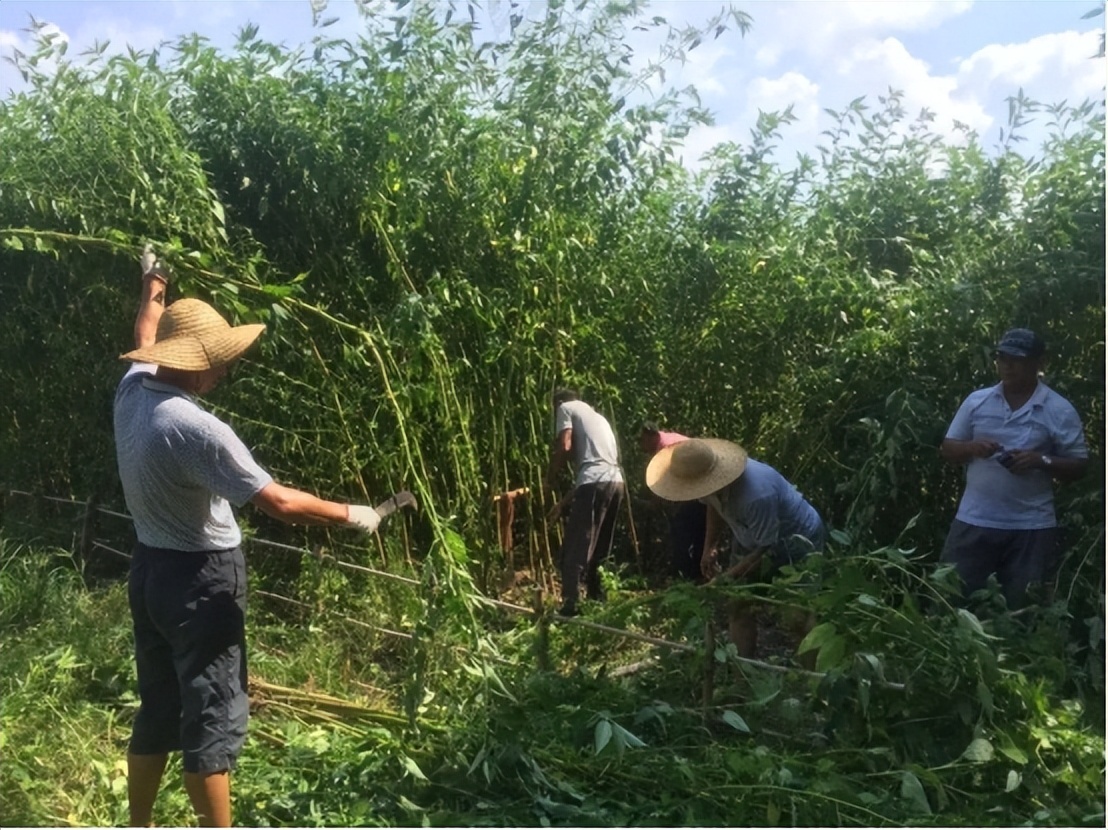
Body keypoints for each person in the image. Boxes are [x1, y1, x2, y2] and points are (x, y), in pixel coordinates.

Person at [116, 248, 384, 827]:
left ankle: (137, 823)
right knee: (210, 717)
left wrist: (154, 279)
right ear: (191, 361)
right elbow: (280, 502)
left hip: (149, 573)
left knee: (158, 706)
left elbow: (143, 328)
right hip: (200, 585)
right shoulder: (194, 427)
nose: (221, 371)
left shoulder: (132, 390)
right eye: (216, 361)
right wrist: (353, 514)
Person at [940, 327, 1087, 608]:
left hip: (1031, 526)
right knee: (952, 602)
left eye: (1016, 359)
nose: (1007, 366)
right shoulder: (977, 401)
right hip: (974, 520)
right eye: (1002, 358)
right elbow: (948, 448)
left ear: (1040, 363)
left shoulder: (1058, 409)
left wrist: (1039, 461)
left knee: (1024, 611)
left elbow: (1080, 466)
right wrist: (973, 448)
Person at [646, 438, 825, 658]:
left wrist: (724, 578)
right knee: (738, 605)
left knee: (798, 616)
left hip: (796, 540)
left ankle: (814, 685)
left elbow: (764, 551)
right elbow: (713, 505)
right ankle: (742, 676)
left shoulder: (756, 496)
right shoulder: (705, 480)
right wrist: (709, 547)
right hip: (750, 537)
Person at [543, 389, 625, 617]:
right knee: (600, 545)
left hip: (594, 482)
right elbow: (595, 470)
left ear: (558, 403)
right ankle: (598, 599)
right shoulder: (599, 418)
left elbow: (565, 447)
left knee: (577, 544)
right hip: (616, 482)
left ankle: (571, 604)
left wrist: (549, 477)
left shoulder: (565, 408)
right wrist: (563, 504)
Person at [638, 423, 706, 581]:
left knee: (682, 530)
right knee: (697, 531)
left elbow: (662, 481)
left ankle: (685, 577)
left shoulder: (665, 449)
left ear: (650, 436)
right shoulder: (668, 440)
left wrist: (655, 503)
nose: (641, 445)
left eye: (642, 440)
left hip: (699, 487)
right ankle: (697, 576)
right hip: (698, 487)